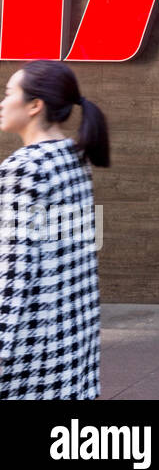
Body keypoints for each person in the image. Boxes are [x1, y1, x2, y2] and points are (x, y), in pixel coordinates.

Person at [0, 61, 108, 399]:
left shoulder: (24, 169)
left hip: (31, 349)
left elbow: (13, 274)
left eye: (8, 94)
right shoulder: (74, 158)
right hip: (73, 334)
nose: (2, 103)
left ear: (35, 105)